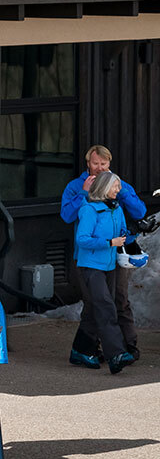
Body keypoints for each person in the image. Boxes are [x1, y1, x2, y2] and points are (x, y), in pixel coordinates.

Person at [62, 145, 147, 364]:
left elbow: (139, 211)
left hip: (115, 255)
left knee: (119, 299)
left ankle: (128, 346)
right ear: (87, 163)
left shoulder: (118, 186)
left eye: (104, 164)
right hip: (88, 256)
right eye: (95, 164)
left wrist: (121, 190)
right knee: (95, 302)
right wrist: (83, 192)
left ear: (109, 164)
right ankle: (91, 348)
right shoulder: (76, 186)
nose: (99, 168)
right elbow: (67, 217)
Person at [73, 172, 136, 373]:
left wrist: (131, 233)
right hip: (91, 266)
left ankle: (80, 351)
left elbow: (122, 233)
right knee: (106, 306)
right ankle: (116, 354)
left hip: (109, 266)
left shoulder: (116, 209)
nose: (119, 190)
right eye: (115, 186)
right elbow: (81, 239)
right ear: (103, 187)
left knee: (94, 309)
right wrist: (109, 242)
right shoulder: (89, 209)